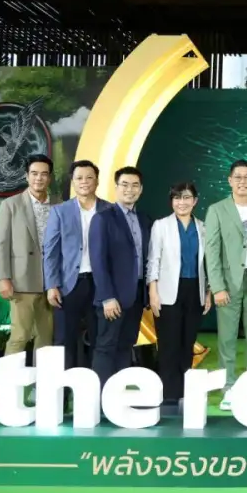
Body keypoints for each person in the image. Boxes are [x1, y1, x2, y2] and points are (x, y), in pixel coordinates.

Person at [204, 159, 247, 411]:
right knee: (227, 337)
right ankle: (229, 387)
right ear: (230, 180)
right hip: (228, 282)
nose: (242, 181)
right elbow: (212, 251)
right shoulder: (217, 210)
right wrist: (217, 287)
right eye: (238, 177)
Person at [147, 182, 212, 411]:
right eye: (177, 198)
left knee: (187, 343)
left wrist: (208, 292)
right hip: (167, 292)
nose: (181, 202)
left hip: (195, 291)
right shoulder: (161, 226)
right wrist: (152, 290)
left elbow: (207, 264)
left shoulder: (203, 227)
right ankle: (168, 395)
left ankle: (185, 392)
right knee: (168, 344)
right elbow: (153, 259)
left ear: (195, 201)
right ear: (171, 201)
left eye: (186, 198)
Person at [44, 159, 111, 375]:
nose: (84, 182)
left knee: (100, 338)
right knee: (64, 339)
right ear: (72, 182)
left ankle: (97, 388)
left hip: (100, 285)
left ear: (97, 181)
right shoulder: (59, 211)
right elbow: (51, 251)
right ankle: (62, 391)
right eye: (79, 178)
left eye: (89, 177)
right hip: (68, 285)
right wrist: (52, 285)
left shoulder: (110, 210)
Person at [89, 166, 153, 388]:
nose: (129, 189)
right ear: (116, 187)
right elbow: (98, 261)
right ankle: (99, 399)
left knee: (126, 346)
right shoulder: (103, 218)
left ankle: (117, 395)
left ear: (141, 189)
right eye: (124, 184)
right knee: (106, 347)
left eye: (135, 185)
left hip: (135, 297)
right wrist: (107, 297)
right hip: (112, 299)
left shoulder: (144, 219)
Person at [0, 154, 56, 377]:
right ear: (26, 176)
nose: (39, 178)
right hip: (21, 281)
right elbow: (2, 243)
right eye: (34, 173)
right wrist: (3, 278)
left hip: (51, 283)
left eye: (44, 174)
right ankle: (7, 385)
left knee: (46, 339)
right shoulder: (11, 205)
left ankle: (43, 387)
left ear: (50, 177)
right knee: (19, 336)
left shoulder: (59, 204)